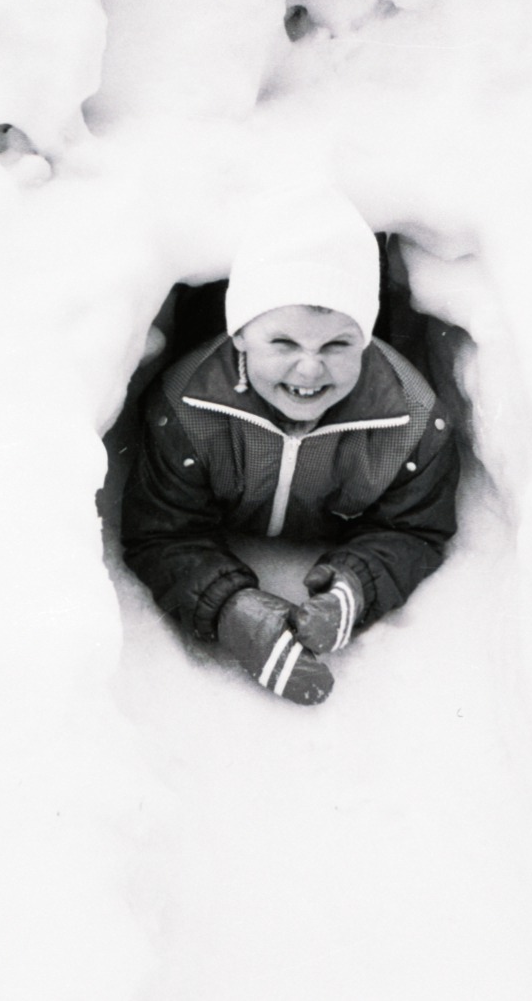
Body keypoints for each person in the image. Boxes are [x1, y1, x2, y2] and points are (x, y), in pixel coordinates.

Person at [121, 186, 460, 705]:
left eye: (337, 344)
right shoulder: (188, 411)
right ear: (239, 335)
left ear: (367, 339)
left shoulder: (411, 422)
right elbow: (162, 532)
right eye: (282, 342)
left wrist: (355, 590)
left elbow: (414, 529)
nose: (309, 368)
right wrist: (232, 610)